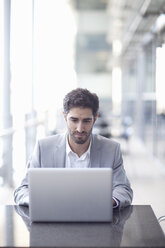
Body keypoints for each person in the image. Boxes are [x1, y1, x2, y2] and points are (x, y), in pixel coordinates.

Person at [14, 88, 133, 208]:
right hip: (53, 219)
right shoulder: (43, 148)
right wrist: (38, 201)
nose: (80, 129)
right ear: (65, 117)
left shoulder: (112, 149)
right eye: (74, 120)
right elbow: (23, 189)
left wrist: (109, 202)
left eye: (86, 121)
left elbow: (123, 189)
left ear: (95, 119)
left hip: (95, 219)